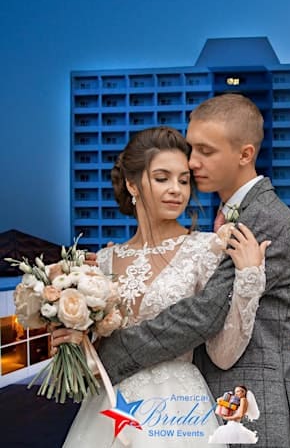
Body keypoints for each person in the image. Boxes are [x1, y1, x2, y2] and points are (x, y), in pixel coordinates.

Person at [92, 94, 290, 447]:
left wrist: (107, 356)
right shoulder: (229, 217)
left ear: (244, 154)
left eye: (204, 152)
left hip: (247, 405)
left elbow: (203, 313)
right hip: (162, 404)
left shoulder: (263, 220)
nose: (193, 164)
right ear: (133, 185)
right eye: (192, 150)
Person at [56, 126, 271, 447]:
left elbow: (223, 355)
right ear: (132, 184)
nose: (176, 190)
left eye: (184, 180)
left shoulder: (207, 249)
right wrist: (72, 338)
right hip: (108, 408)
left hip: (180, 411)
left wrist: (249, 281)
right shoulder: (101, 262)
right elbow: (95, 359)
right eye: (162, 178)